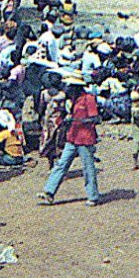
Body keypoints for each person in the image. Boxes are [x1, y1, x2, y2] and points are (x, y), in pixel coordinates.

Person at [38, 75, 101, 206]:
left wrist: (77, 121)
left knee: (88, 167)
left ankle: (93, 196)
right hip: (72, 136)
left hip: (85, 138)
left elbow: (95, 118)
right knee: (61, 164)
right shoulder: (72, 100)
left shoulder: (88, 99)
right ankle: (49, 192)